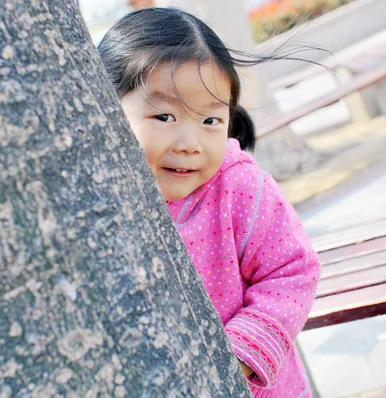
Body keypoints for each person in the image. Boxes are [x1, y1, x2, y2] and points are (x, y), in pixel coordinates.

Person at [98, 7, 320, 397]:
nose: (189, 143)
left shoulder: (241, 190)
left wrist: (236, 357)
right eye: (164, 116)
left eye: (210, 121)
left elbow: (292, 272)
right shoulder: (98, 200)